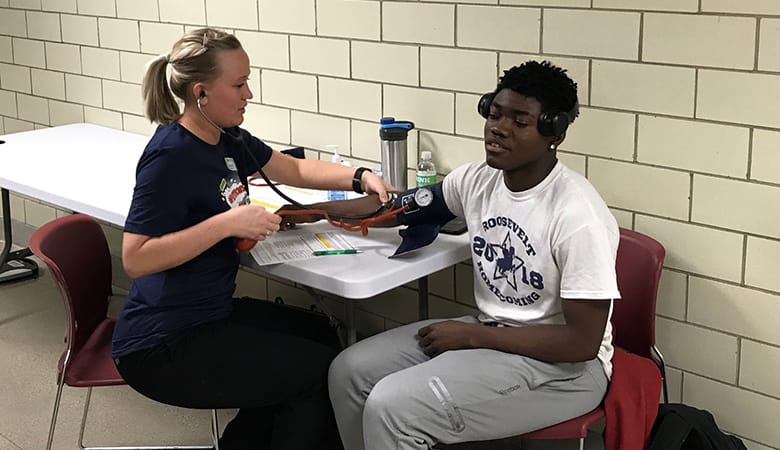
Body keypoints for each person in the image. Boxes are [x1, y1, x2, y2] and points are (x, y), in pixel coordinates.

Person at [280, 60, 620, 450]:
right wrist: (314, 212)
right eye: (494, 114)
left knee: (393, 407)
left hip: (566, 372)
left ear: (553, 133)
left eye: (519, 122)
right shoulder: (478, 179)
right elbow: (396, 209)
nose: (499, 128)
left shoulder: (577, 215)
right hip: (492, 332)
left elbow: (581, 343)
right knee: (349, 372)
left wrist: (473, 336)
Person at [110, 27, 388, 450]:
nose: (249, 94)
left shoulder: (226, 138)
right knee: (316, 373)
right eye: (239, 84)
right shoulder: (170, 157)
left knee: (318, 335)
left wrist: (360, 177)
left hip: (206, 313)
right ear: (201, 93)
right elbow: (136, 257)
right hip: (163, 341)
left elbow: (291, 170)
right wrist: (227, 224)